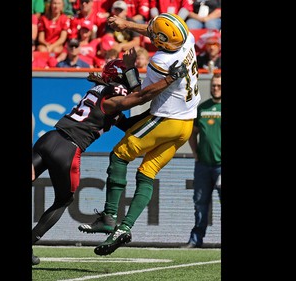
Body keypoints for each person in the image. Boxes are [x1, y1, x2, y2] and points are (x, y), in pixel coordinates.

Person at [32, 47, 188, 265]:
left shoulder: (99, 93)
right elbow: (140, 95)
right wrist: (171, 78)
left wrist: (158, 113)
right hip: (68, 150)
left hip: (49, 138)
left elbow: (126, 123)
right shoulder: (113, 98)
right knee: (63, 200)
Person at [78, 12, 201, 256]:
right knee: (146, 171)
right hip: (185, 123)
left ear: (162, 41)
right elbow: (156, 33)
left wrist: (131, 70)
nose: (150, 32)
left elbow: (140, 95)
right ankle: (124, 228)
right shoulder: (187, 40)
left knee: (119, 155)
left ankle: (109, 217)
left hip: (166, 119)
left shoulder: (160, 62)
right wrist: (127, 25)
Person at [182, 72, 221, 249]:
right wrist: (196, 154)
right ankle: (196, 239)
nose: (216, 88)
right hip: (203, 165)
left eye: (219, 86)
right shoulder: (202, 107)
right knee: (200, 203)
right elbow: (192, 133)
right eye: (214, 85)